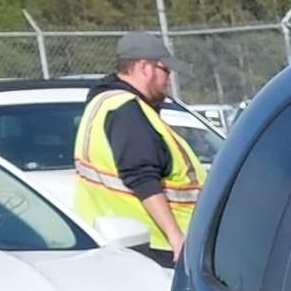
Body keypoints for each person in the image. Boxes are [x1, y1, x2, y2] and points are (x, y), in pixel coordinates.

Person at [72, 32, 206, 263]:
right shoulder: (127, 110)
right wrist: (176, 238)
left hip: (121, 242)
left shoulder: (104, 102)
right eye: (165, 71)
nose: (168, 80)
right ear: (145, 67)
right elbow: (142, 176)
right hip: (156, 246)